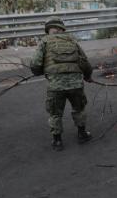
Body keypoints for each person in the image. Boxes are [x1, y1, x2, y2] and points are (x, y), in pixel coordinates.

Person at [30, 17, 93, 151]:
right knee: (79, 109)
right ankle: (82, 134)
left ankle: (57, 141)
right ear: (61, 29)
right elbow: (85, 62)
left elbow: (35, 63)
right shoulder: (72, 40)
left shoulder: (44, 41)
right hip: (76, 84)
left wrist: (38, 72)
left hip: (56, 86)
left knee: (55, 113)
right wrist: (88, 76)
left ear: (49, 30)